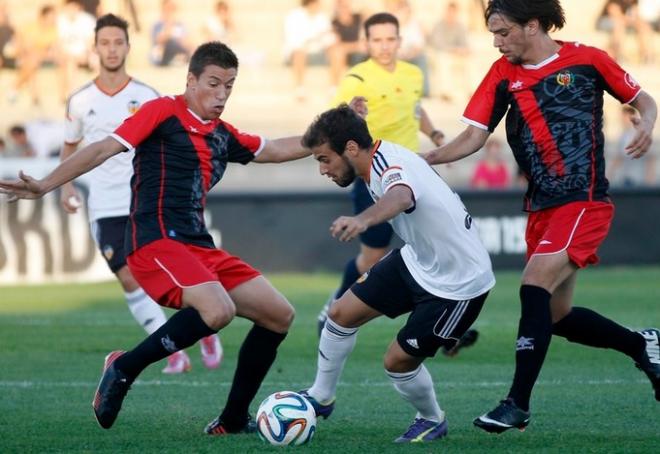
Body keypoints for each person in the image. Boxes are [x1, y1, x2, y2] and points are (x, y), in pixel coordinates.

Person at [0, 41, 311, 435]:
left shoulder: (221, 134)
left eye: (229, 86)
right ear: (191, 79)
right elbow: (101, 149)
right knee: (218, 311)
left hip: (198, 246)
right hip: (156, 240)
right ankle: (124, 366)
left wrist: (329, 134)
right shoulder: (163, 111)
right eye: (213, 83)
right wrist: (47, 183)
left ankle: (233, 419)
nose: (221, 95)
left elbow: (277, 148)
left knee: (278, 314)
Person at [424, 0, 659, 433]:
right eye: (492, 33)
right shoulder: (502, 75)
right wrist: (425, 160)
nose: (496, 43)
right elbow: (475, 136)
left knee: (532, 285)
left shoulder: (588, 59)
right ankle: (643, 344)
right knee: (555, 315)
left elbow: (643, 99)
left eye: (502, 32)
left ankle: (517, 404)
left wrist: (647, 122)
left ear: (532, 25)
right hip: (541, 206)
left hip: (583, 200)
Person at [299, 104, 495, 443]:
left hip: (458, 284)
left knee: (397, 361)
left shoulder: (388, 165)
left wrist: (362, 220)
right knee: (340, 313)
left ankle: (432, 419)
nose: (322, 170)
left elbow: (401, 196)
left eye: (324, 159)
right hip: (418, 261)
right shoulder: (376, 157)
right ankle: (321, 396)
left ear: (350, 148)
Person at [60, 13, 222, 375]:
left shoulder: (146, 96)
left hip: (146, 202)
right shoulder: (79, 100)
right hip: (104, 205)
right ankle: (176, 348)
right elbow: (70, 146)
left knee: (160, 275)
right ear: (95, 48)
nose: (112, 49)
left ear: (128, 47)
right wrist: (65, 186)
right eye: (105, 43)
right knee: (127, 276)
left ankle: (198, 323)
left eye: (118, 42)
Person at [318, 12, 477, 355]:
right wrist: (352, 110)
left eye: (390, 39)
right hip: (374, 176)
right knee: (371, 256)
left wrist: (433, 133)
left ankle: (446, 319)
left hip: (414, 172)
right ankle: (333, 309)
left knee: (433, 240)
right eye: (377, 40)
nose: (385, 46)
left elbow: (416, 109)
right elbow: (337, 124)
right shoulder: (357, 77)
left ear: (400, 41)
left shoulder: (413, 72)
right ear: (366, 43)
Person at [608, 105, 656, 187]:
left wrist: (650, 181)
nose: (622, 120)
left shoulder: (640, 133)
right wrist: (609, 176)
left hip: (640, 181)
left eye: (624, 117)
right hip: (627, 180)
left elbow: (650, 158)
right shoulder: (623, 136)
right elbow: (618, 158)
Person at [150, 0, 191, 67]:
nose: (170, 11)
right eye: (168, 8)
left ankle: (180, 60)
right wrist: (169, 24)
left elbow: (186, 42)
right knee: (170, 42)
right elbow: (159, 41)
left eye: (172, 8)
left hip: (177, 52)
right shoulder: (157, 24)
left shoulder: (179, 25)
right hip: (161, 54)